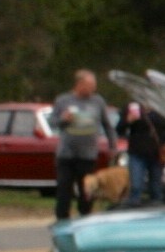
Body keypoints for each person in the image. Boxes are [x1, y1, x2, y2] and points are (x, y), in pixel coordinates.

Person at [46, 71, 114, 209]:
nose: (93, 89)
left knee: (87, 190)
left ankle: (85, 219)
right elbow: (51, 123)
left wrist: (112, 145)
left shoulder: (98, 101)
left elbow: (107, 125)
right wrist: (63, 119)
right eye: (90, 85)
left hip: (88, 155)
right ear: (79, 84)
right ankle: (63, 220)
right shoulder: (63, 100)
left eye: (94, 85)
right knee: (64, 189)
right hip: (66, 154)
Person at [119, 96, 165, 205]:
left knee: (156, 185)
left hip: (157, 153)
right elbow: (119, 130)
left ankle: (156, 206)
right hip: (137, 152)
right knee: (136, 184)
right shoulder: (131, 108)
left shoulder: (162, 110)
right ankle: (135, 204)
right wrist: (128, 121)